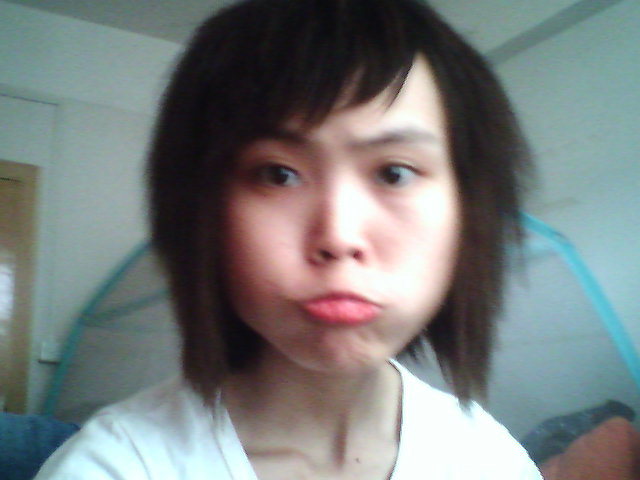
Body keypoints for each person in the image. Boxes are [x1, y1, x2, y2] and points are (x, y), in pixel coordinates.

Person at [36, 0, 541, 478]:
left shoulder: (491, 462)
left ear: (468, 209)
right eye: (278, 174)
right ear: (201, 210)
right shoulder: (117, 465)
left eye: (394, 173)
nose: (339, 237)